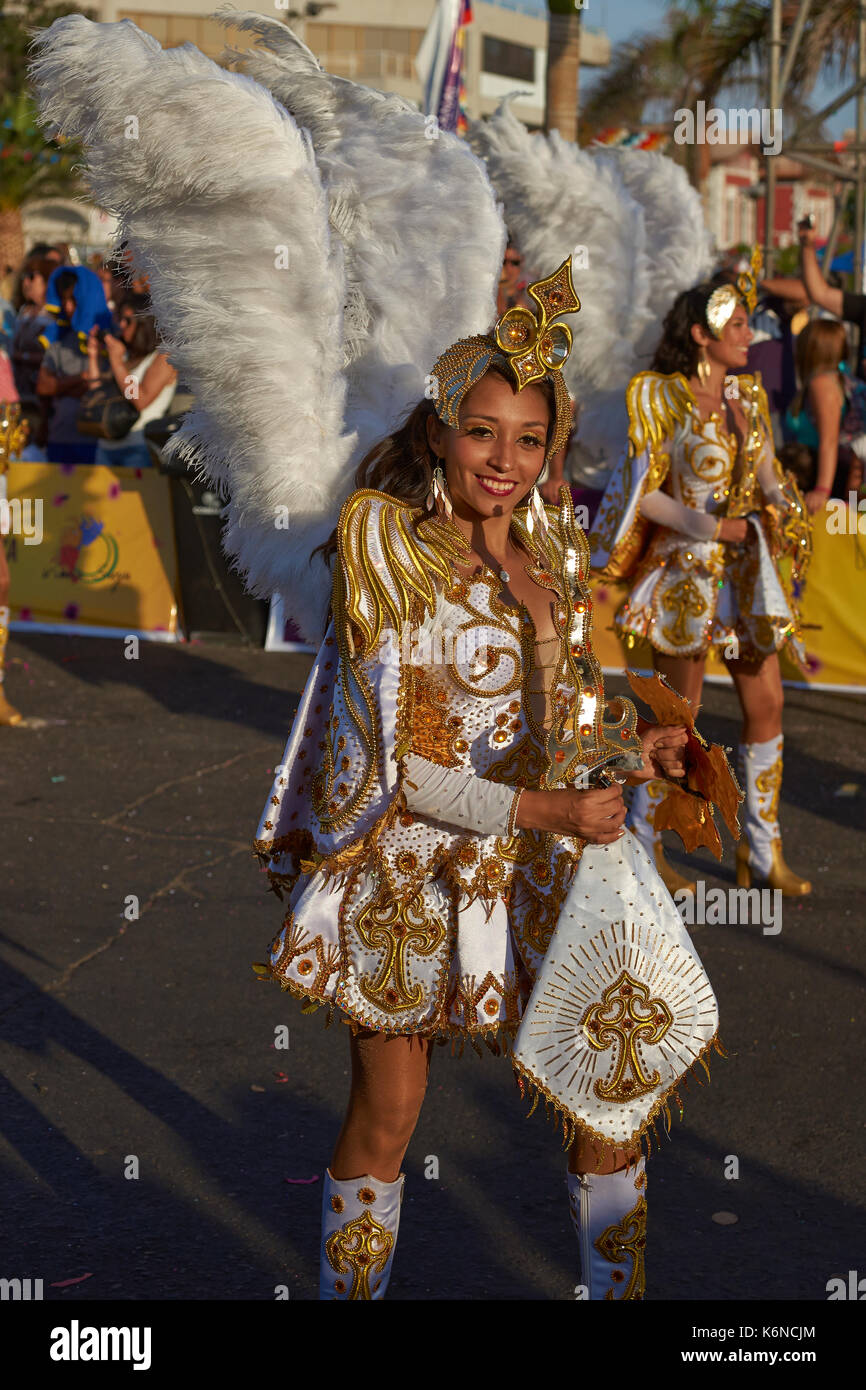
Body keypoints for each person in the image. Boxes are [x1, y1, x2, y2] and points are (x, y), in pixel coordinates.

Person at [590, 252, 812, 899]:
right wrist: (714, 527)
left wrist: (782, 507)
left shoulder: (746, 396)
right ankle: (645, 843)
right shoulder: (660, 396)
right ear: (701, 334)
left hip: (745, 574)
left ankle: (763, 851)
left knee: (766, 703)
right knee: (676, 719)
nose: (749, 334)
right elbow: (644, 493)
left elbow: (767, 472)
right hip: (684, 574)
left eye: (749, 323)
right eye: (738, 323)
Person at [85, 292, 177, 469]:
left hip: (138, 447)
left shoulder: (163, 358)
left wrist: (117, 363)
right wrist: (93, 356)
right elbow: (97, 391)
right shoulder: (126, 354)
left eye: (127, 320)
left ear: (144, 323)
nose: (121, 325)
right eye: (120, 319)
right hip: (106, 446)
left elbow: (139, 399)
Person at [34, 264, 113, 464]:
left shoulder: (113, 340)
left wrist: (61, 387)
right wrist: (83, 379)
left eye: (74, 300)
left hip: (103, 444)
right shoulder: (59, 339)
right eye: (64, 299)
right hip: (61, 440)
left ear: (88, 299)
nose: (67, 307)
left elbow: (126, 389)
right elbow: (43, 386)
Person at [785, 317, 866, 506]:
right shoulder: (844, 377)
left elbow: (829, 440)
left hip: (827, 477)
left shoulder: (822, 384)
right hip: (839, 473)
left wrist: (822, 490)